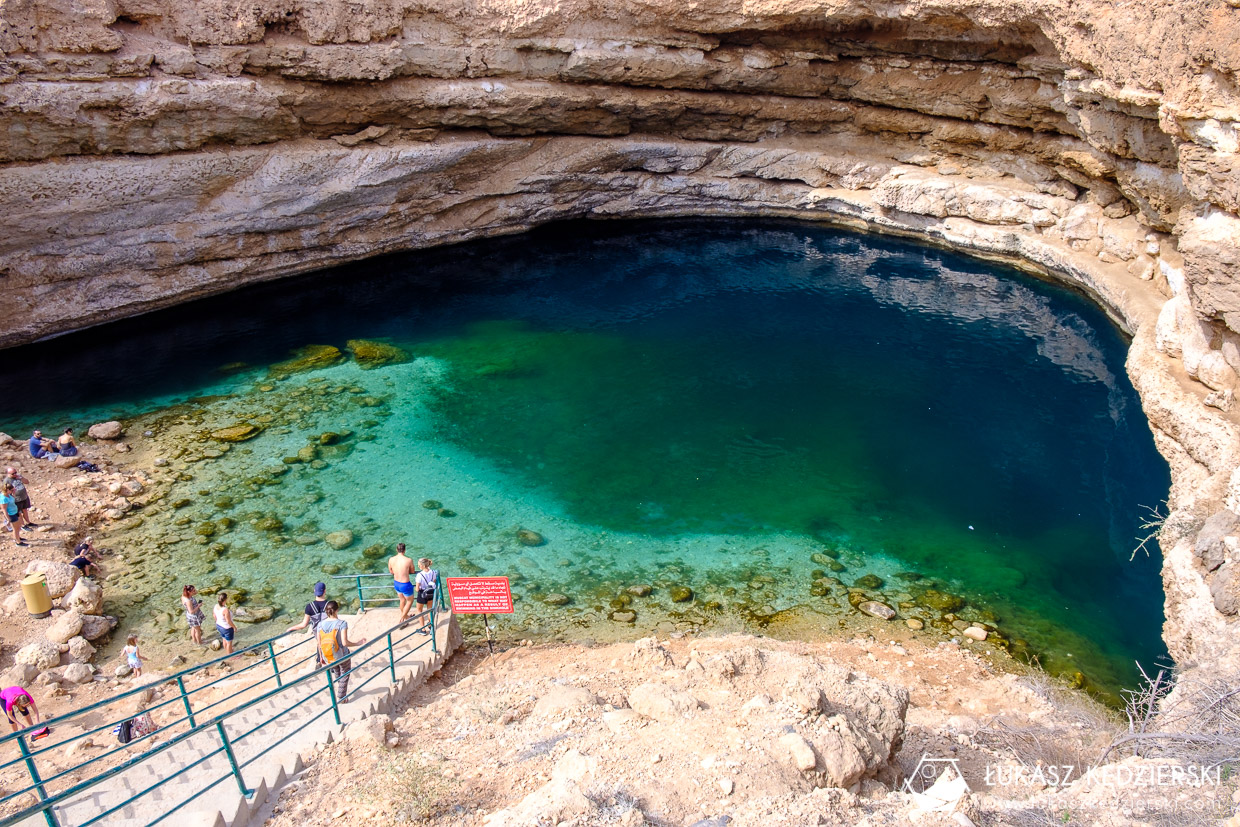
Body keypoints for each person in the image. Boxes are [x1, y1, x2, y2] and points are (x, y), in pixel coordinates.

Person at [317, 601, 366, 703]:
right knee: (345, 673)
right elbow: (345, 643)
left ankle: (340, 689)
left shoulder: (320, 624)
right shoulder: (342, 624)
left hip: (328, 655)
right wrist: (358, 643)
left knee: (337, 671)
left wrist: (321, 657)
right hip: (342, 655)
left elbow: (319, 643)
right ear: (337, 610)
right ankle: (341, 697)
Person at [287, 582, 330, 665]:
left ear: (314, 591)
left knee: (320, 644)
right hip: (328, 630)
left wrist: (291, 628)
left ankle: (319, 661)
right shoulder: (330, 604)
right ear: (325, 591)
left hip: (317, 632)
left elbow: (304, 624)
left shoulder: (309, 606)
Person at [388, 543, 415, 624]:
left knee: (402, 600)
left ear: (397, 550)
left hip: (396, 583)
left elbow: (391, 571)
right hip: (405, 584)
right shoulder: (408, 560)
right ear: (404, 550)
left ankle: (405, 616)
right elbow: (412, 571)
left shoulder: (391, 559)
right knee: (410, 601)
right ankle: (402, 619)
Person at [414, 557, 438, 635]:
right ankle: (430, 625)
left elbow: (417, 589)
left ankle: (423, 629)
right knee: (429, 609)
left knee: (419, 610)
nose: (418, 566)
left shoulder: (419, 575)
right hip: (430, 593)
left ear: (422, 566)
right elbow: (433, 582)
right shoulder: (433, 572)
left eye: (419, 565)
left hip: (422, 593)